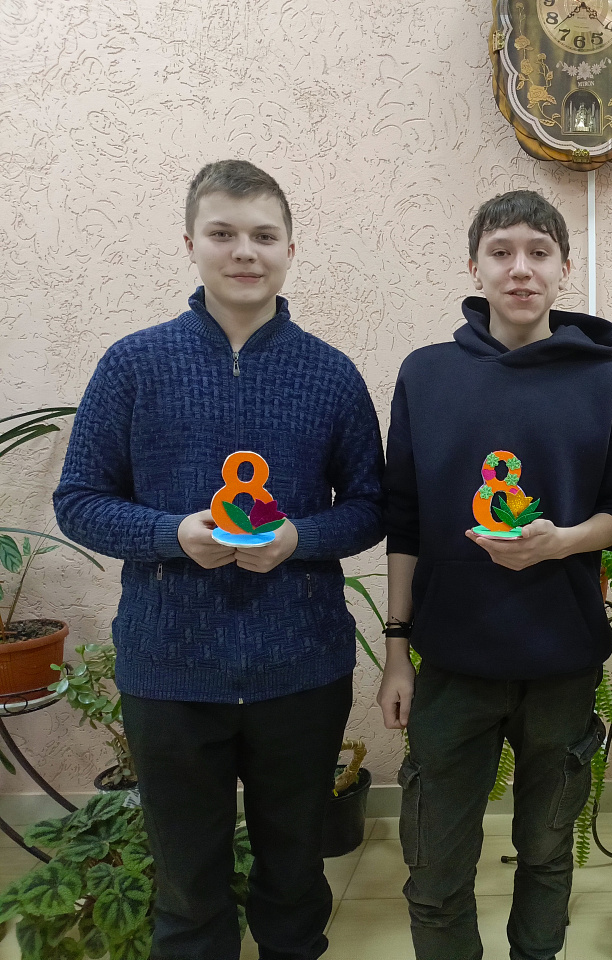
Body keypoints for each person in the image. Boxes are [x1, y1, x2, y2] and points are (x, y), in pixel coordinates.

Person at [53, 159, 385, 960]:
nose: (245, 252)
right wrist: (174, 535)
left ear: (290, 249)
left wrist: (300, 539)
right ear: (190, 243)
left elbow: (374, 506)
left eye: (264, 236)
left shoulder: (331, 373)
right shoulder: (132, 365)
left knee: (294, 880)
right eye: (224, 233)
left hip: (301, 669)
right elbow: (79, 500)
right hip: (170, 671)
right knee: (188, 888)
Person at [377, 189, 612, 960]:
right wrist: (396, 651)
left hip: (561, 663)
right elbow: (404, 520)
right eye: (501, 252)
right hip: (451, 663)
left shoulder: (607, 383)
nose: (520, 269)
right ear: (475, 268)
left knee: (547, 855)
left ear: (564, 269)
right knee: (434, 870)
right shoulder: (427, 376)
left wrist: (562, 543)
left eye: (538, 252)